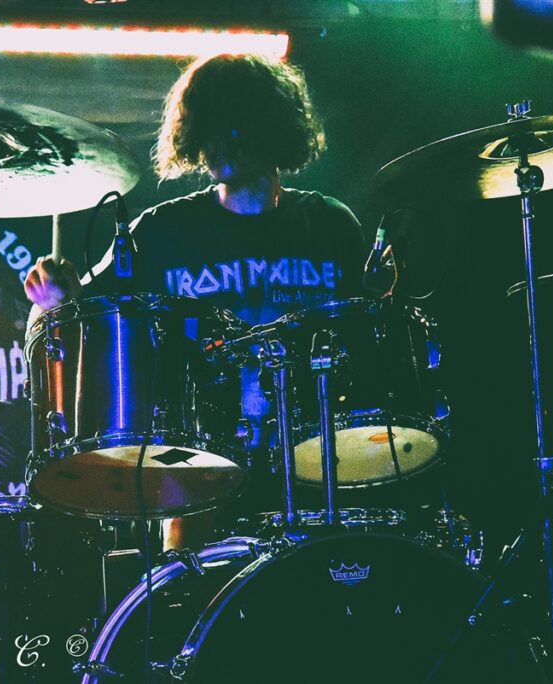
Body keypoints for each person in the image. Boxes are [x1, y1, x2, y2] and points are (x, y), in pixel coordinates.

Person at [24, 52, 367, 543]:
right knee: (189, 583)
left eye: (231, 125)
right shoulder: (162, 231)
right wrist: (58, 298)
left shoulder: (331, 225)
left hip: (320, 461)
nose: (215, 143)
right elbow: (83, 317)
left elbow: (369, 341)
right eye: (206, 127)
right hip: (198, 470)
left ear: (268, 125)